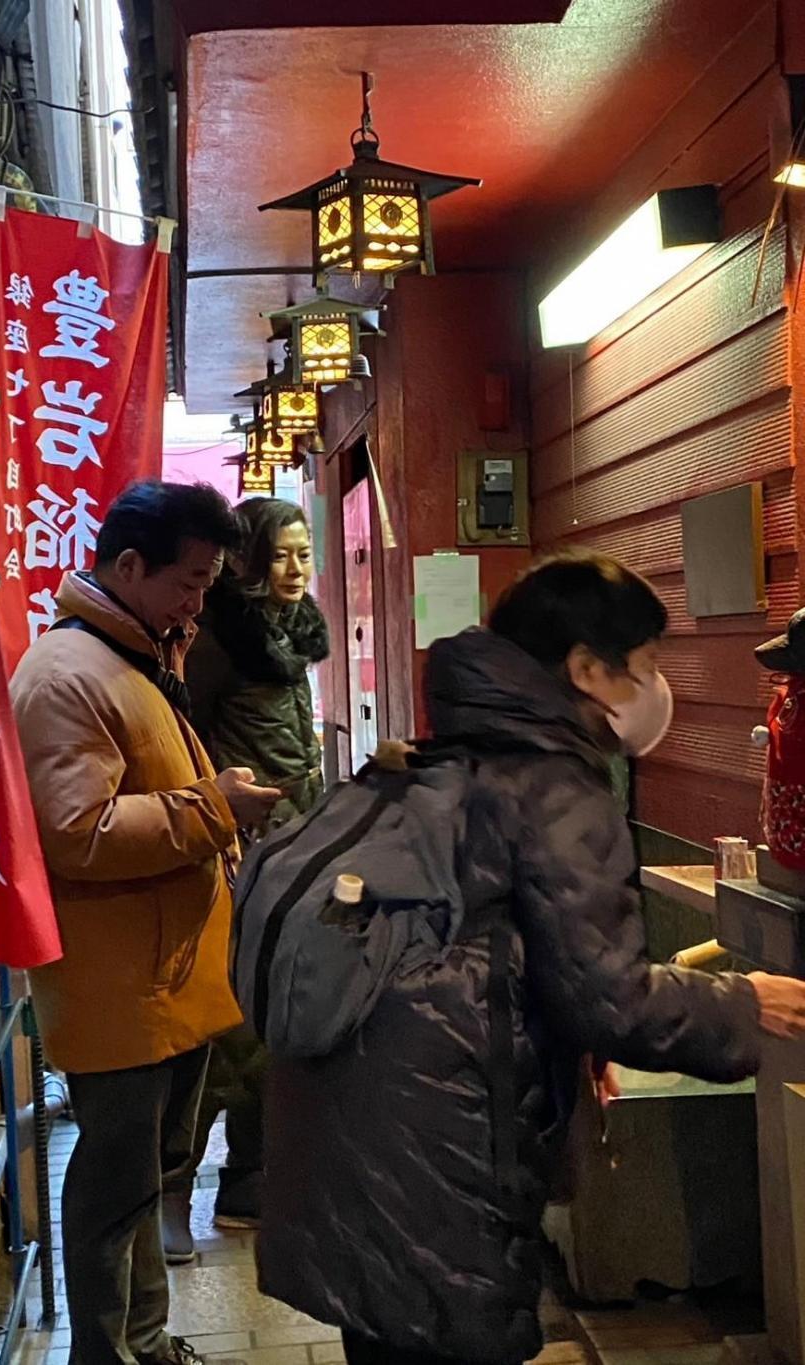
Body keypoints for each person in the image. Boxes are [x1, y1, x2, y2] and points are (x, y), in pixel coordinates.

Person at [256, 552, 805, 1365]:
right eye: (647, 663)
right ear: (586, 668)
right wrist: (745, 1001)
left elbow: (498, 952)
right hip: (435, 1141)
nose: (657, 686)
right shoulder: (551, 782)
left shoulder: (457, 756)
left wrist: (567, 1041)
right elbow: (611, 996)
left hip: (362, 1129)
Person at [11, 480, 279, 1365]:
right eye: (190, 580)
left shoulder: (134, 655)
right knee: (113, 1186)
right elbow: (77, 834)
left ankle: (146, 1342)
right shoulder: (67, 674)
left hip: (162, 977)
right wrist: (217, 807)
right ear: (129, 566)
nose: (200, 599)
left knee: (147, 1172)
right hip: (119, 982)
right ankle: (106, 1352)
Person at [162, 497, 329, 1259]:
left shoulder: (289, 639)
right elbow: (191, 750)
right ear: (251, 562)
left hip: (291, 856)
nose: (296, 569)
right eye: (282, 555)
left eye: (304, 553)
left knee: (276, 1020)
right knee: (230, 1029)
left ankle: (252, 1181)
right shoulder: (220, 641)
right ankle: (176, 1182)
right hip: (234, 856)